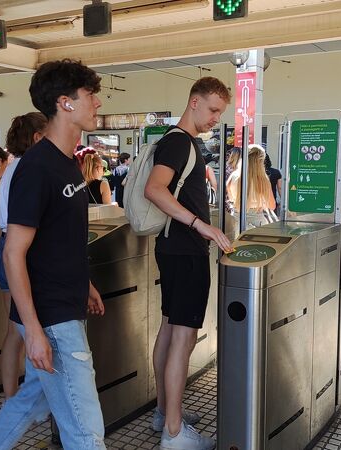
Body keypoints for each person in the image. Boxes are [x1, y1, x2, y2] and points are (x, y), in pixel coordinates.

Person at [0, 59, 106, 450]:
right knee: (85, 431)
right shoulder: (37, 168)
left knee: (30, 402)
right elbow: (14, 253)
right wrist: (32, 331)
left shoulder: (68, 163)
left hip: (62, 303)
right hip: (51, 320)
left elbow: (57, 240)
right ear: (65, 103)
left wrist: (84, 283)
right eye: (90, 96)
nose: (97, 103)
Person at [144, 77, 232, 450]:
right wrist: (201, 225)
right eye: (212, 109)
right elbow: (154, 188)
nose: (215, 118)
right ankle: (175, 433)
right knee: (183, 335)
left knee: (169, 329)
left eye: (220, 112)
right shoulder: (180, 142)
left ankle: (165, 412)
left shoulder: (176, 140)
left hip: (171, 248)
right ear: (194, 102)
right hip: (185, 249)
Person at [0, 112, 47, 399]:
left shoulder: (13, 167)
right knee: (23, 331)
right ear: (38, 137)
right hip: (19, 254)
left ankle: (12, 397)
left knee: (16, 332)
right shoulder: (29, 169)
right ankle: (15, 400)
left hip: (5, 247)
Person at [226, 145, 276, 228]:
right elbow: (272, 205)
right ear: (261, 162)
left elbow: (230, 198)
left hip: (236, 219)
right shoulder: (263, 180)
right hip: (257, 221)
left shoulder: (234, 176)